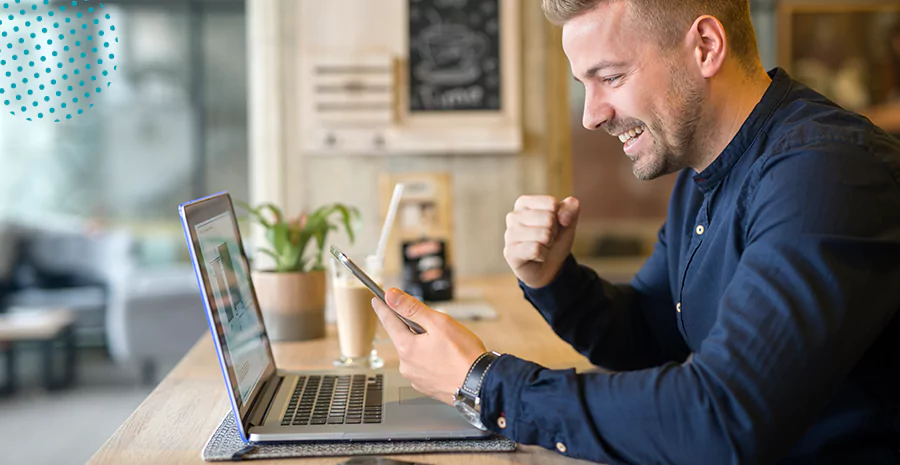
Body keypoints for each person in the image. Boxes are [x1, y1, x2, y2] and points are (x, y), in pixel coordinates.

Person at [370, 0, 900, 463]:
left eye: (612, 77)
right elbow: (651, 335)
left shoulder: (826, 172)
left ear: (706, 46)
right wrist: (555, 280)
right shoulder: (703, 172)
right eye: (585, 85)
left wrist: (486, 385)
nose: (592, 115)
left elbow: (720, 419)